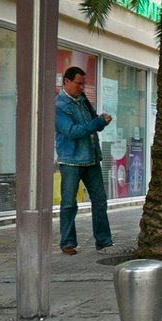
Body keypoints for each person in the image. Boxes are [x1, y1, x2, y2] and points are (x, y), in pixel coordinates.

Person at [55, 66, 125, 255]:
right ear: (66, 82)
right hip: (71, 160)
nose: (82, 87)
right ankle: (68, 243)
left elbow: (93, 123)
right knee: (69, 203)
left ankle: (104, 241)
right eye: (78, 83)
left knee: (100, 201)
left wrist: (101, 121)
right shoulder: (59, 105)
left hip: (92, 158)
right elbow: (71, 131)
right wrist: (97, 123)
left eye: (83, 84)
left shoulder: (83, 100)